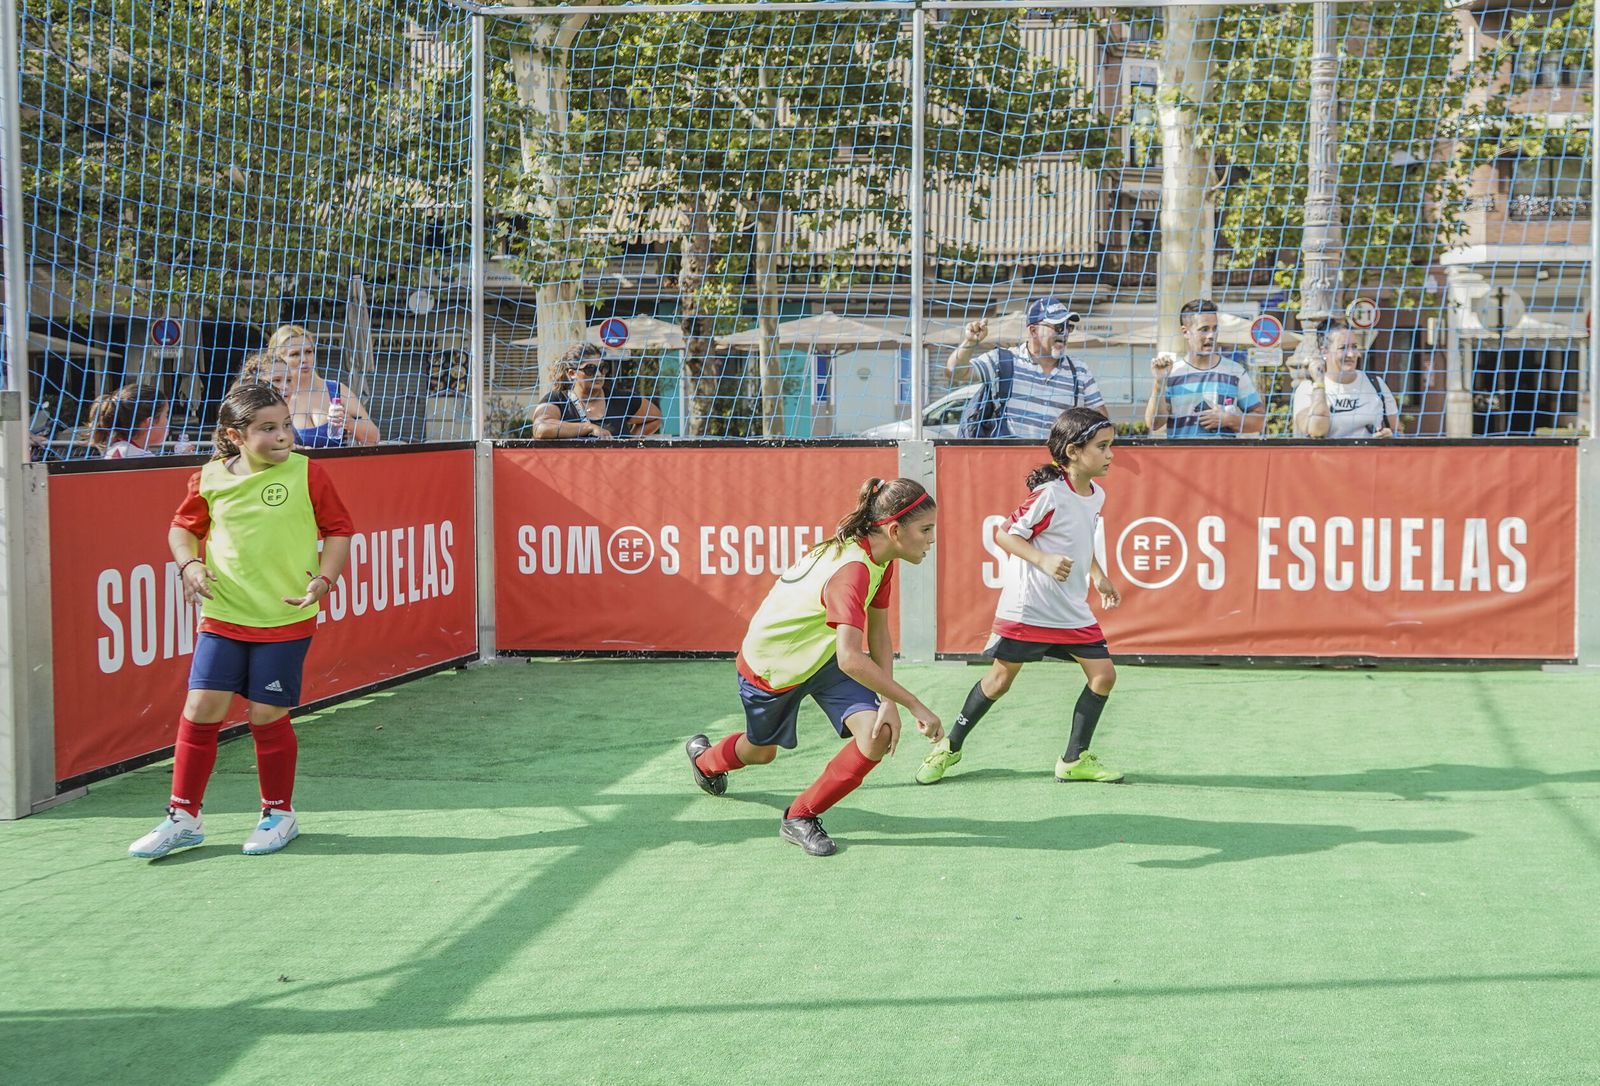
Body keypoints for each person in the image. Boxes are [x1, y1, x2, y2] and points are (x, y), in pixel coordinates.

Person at [127, 382, 354, 860]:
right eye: (267, 428)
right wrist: (190, 565)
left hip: (285, 617)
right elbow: (182, 529)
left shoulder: (307, 474)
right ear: (235, 435)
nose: (282, 436)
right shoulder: (208, 478)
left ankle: (279, 813)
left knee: (264, 714)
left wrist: (326, 580)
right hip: (223, 614)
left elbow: (338, 530)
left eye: (286, 425)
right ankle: (183, 818)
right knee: (201, 707)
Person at [683, 477, 945, 857]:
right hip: (774, 667)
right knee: (761, 752)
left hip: (825, 655)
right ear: (894, 529)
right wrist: (914, 704)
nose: (932, 539)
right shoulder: (853, 571)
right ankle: (705, 761)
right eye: (926, 529)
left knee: (876, 735)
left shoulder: (880, 557)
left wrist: (888, 701)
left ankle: (800, 816)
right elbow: (852, 659)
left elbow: (878, 634)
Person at [917, 406, 1126, 786]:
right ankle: (950, 746)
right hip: (1029, 609)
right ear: (1074, 452)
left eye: (1111, 445)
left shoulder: (1096, 495)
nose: (1111, 454)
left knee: (1103, 676)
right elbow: (1004, 534)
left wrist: (1099, 575)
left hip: (1071, 611)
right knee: (999, 682)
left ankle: (1073, 759)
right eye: (1102, 446)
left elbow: (1081, 542)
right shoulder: (1049, 495)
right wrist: (1042, 559)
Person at [945, 296, 1109, 438]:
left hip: (1056, 467)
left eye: (1069, 327)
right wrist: (970, 342)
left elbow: (1102, 423)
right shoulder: (1003, 361)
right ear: (1033, 331)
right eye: (1058, 327)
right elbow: (954, 373)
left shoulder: (1079, 370)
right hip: (1010, 462)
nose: (1064, 333)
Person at [1144, 298, 1266, 438]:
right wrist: (1159, 383)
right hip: (1182, 458)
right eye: (1204, 329)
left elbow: (1260, 421)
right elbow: (1153, 424)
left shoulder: (1235, 371)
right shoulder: (1171, 374)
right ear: (1185, 332)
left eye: (1215, 329)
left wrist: (1228, 420)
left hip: (1223, 458)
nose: (1211, 335)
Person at [266, 323, 382, 447]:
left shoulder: (336, 390)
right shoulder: (273, 396)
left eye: (308, 352)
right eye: (295, 354)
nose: (304, 359)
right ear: (278, 358)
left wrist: (349, 422)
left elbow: (374, 438)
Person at [530, 343, 662, 439]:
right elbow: (540, 428)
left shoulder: (621, 398)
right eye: (590, 369)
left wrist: (630, 443)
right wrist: (590, 427)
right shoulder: (557, 399)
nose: (598, 374)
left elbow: (655, 418)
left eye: (602, 368)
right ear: (572, 373)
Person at [1293, 323, 1403, 438]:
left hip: (1368, 456)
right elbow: (1317, 431)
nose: (1351, 354)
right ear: (1324, 351)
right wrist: (1320, 383)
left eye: (1354, 347)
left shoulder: (1376, 384)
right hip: (1328, 456)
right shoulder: (1308, 388)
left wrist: (1391, 437)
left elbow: (1399, 433)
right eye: (1343, 348)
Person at [89, 381, 169, 459]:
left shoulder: (120, 448)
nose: (167, 421)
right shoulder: (138, 457)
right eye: (166, 415)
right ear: (151, 422)